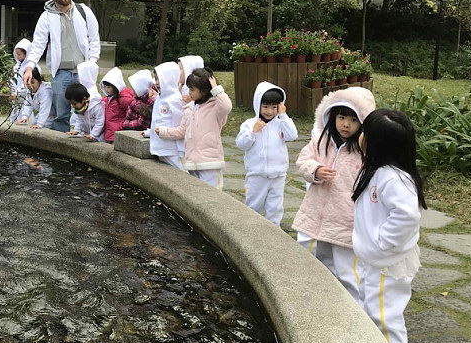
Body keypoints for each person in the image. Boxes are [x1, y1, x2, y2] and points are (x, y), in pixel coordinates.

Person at [352, 109, 426, 343]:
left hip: (386, 262)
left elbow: (407, 216)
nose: (360, 136)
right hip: (375, 258)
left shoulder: (393, 178)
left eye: (365, 132)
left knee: (384, 314)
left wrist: (383, 242)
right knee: (370, 306)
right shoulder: (376, 171)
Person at [293, 87, 376, 302]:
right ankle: (324, 302)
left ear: (364, 123)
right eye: (341, 117)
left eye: (353, 120)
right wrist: (315, 170)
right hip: (317, 215)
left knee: (347, 271)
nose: (346, 124)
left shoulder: (365, 152)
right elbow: (303, 159)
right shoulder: (322, 141)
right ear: (332, 117)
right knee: (319, 263)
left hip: (345, 220)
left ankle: (353, 308)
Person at [21, 0, 101, 132]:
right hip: (60, 72)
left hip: (83, 70)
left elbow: (94, 38)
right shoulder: (47, 16)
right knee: (61, 114)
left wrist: (92, 62)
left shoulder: (83, 11)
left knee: (88, 109)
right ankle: (61, 142)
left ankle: (88, 138)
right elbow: (38, 43)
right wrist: (29, 67)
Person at [156, 68, 232, 188]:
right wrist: (164, 132)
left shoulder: (215, 108)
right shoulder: (189, 108)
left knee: (212, 193)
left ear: (204, 91)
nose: (189, 92)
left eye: (192, 89)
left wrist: (216, 89)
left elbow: (226, 106)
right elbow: (182, 131)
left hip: (211, 162)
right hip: (192, 162)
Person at [235, 82, 298, 225]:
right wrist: (254, 132)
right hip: (256, 174)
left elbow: (292, 135)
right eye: (265, 107)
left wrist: (283, 115)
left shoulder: (282, 123)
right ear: (258, 105)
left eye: (274, 107)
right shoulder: (249, 124)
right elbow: (241, 144)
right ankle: (251, 229)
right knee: (253, 205)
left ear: (280, 106)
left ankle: (273, 231)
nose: (269, 111)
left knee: (275, 207)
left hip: (278, 175)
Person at [144, 61, 186, 170]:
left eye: (160, 79)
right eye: (156, 79)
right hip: (160, 147)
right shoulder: (160, 98)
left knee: (181, 172)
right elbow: (158, 120)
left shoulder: (175, 99)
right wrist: (150, 132)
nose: (157, 83)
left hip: (171, 149)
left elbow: (179, 124)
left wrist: (166, 133)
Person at [65, 60, 104, 142]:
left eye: (74, 103)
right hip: (88, 133)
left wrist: (93, 134)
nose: (73, 106)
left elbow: (100, 122)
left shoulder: (96, 104)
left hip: (99, 135)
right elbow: (80, 119)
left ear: (84, 99)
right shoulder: (80, 106)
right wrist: (77, 130)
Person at [99, 67, 135, 143]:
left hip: (118, 133)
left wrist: (123, 126)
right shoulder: (108, 99)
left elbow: (131, 114)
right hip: (109, 133)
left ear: (116, 86)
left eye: (109, 87)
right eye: (105, 87)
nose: (106, 89)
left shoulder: (124, 99)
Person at [8, 38, 31, 123]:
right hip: (15, 97)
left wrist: (18, 93)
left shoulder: (30, 68)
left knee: (24, 114)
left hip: (25, 97)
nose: (18, 56)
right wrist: (12, 91)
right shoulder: (16, 66)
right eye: (17, 54)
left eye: (20, 54)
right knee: (14, 115)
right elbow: (13, 80)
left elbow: (28, 84)